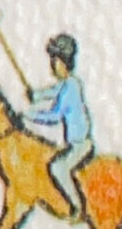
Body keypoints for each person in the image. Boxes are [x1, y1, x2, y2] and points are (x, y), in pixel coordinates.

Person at [27, 34, 94, 218]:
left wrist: (30, 116)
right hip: (74, 143)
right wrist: (36, 96)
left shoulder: (71, 88)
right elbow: (52, 91)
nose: (52, 66)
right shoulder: (68, 84)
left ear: (63, 62)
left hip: (80, 144)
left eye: (54, 61)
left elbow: (54, 115)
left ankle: (78, 208)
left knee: (58, 168)